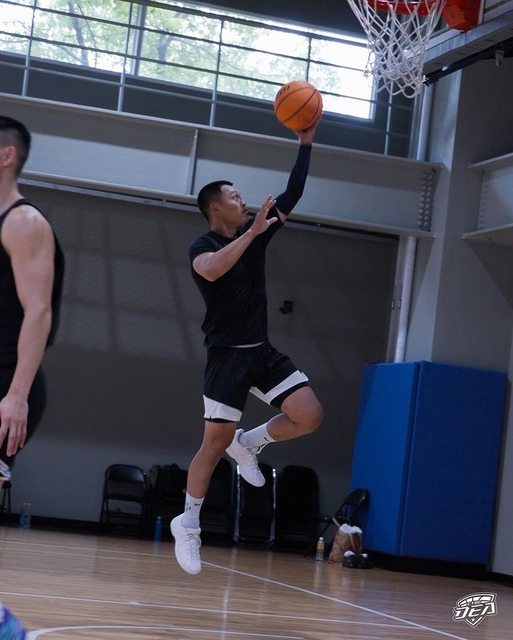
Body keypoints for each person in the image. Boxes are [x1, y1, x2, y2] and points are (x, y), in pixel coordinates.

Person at [171, 121, 323, 574]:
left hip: (261, 350)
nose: (243, 201)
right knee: (211, 445)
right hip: (227, 357)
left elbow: (292, 193)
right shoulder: (204, 244)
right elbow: (211, 270)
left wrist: (305, 144)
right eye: (235, 197)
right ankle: (188, 524)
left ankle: (250, 443)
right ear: (216, 207)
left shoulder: (256, 232)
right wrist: (251, 234)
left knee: (310, 415)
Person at [0, 116, 64, 485]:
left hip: (6, 381)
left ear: (6, 156)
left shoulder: (24, 222)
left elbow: (39, 311)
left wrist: (16, 396)